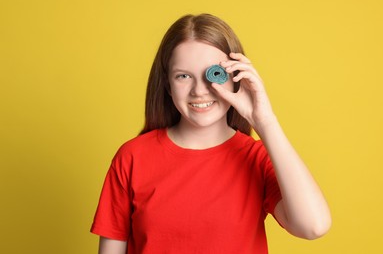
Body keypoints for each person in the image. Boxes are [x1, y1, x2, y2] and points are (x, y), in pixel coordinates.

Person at [90, 13, 331, 254]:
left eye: (214, 74)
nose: (199, 91)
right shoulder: (133, 157)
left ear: (236, 78)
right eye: (183, 76)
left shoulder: (255, 158)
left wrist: (264, 121)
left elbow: (314, 226)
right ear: (167, 85)